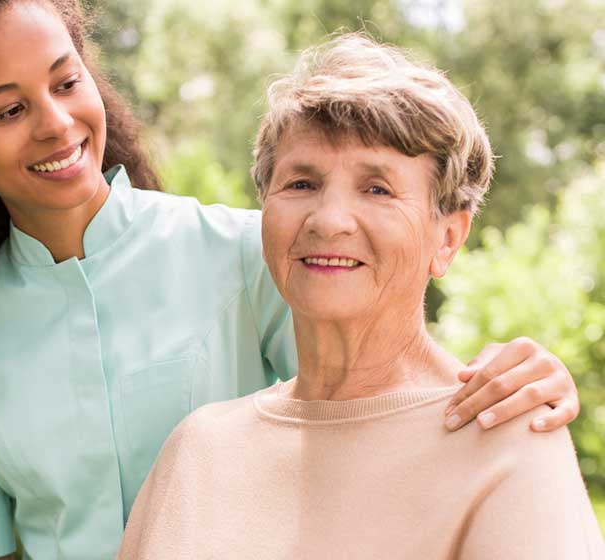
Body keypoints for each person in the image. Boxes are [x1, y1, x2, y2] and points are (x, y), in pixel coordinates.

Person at [0, 1, 581, 558]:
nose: (55, 122)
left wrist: (523, 381)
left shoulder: (251, 253)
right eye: (5, 109)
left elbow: (389, 386)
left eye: (64, 80)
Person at [117, 34, 605, 559]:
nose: (328, 220)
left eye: (377, 189)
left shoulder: (506, 441)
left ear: (448, 239)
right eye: (301, 183)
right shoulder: (198, 450)